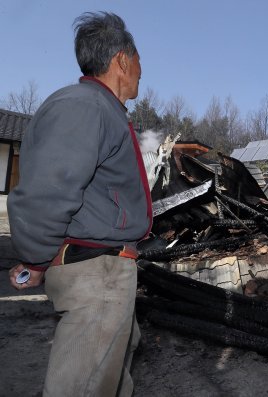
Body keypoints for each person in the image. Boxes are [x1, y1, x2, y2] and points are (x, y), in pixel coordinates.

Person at [7, 12, 151, 396]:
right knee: (82, 386)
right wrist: (38, 258)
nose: (142, 69)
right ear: (122, 60)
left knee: (108, 378)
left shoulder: (101, 110)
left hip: (106, 272)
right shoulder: (85, 106)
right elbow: (47, 192)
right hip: (95, 275)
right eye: (139, 60)